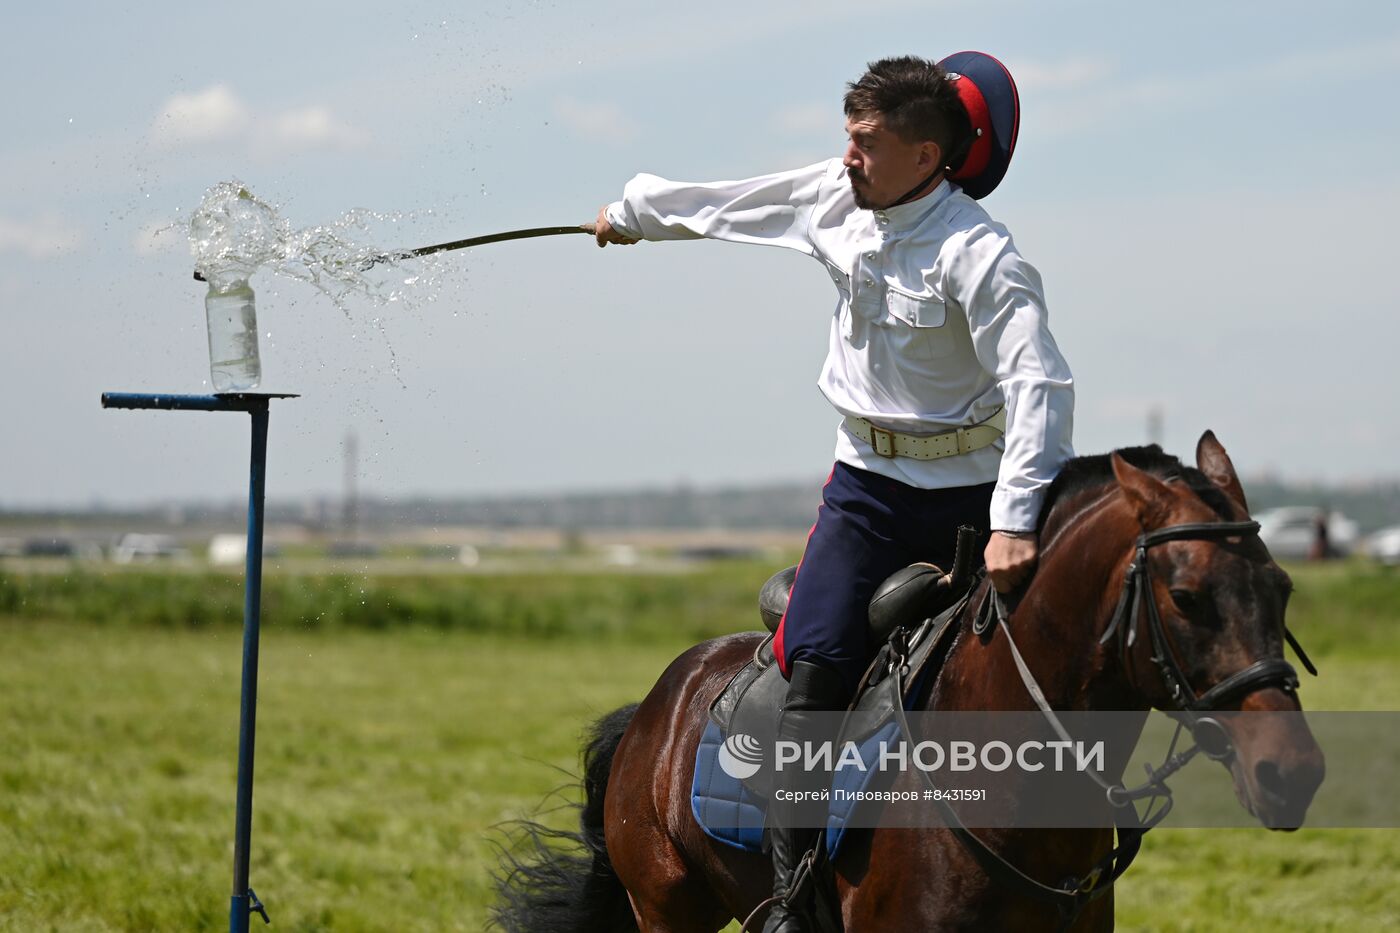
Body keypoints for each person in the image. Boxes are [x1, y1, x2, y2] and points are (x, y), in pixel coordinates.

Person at [594, 54, 1074, 932]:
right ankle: (791, 898)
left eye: (866, 143)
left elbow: (1039, 385)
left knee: (1053, 672)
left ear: (927, 156)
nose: (846, 157)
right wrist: (631, 216)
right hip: (865, 495)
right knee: (812, 671)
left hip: (972, 499)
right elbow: (729, 203)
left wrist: (1012, 522)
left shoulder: (983, 255)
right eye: (847, 137)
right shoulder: (829, 197)